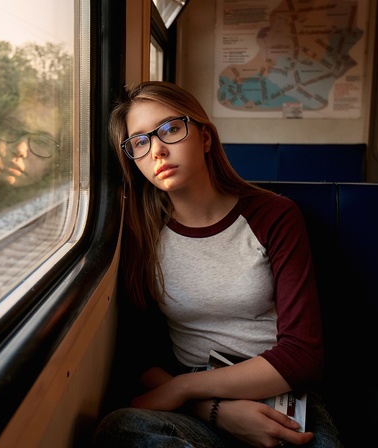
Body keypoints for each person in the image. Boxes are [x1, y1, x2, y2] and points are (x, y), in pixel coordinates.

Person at [92, 81, 342, 448]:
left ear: (205, 138)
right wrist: (213, 410)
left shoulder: (274, 215)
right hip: (198, 403)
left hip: (278, 390)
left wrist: (183, 388)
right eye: (140, 142)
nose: (157, 151)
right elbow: (138, 354)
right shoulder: (140, 232)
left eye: (170, 129)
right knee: (122, 429)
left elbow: (302, 355)